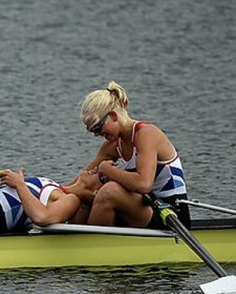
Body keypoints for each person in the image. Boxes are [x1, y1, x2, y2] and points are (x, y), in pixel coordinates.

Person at [78, 80, 189, 228]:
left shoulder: (146, 134)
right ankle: (71, 240)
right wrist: (46, 191)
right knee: (85, 193)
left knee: (109, 191)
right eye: (91, 131)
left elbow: (144, 184)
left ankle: (90, 247)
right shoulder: (111, 146)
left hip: (172, 215)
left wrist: (107, 170)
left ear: (113, 116)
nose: (96, 134)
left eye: (97, 127)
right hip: (144, 207)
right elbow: (82, 181)